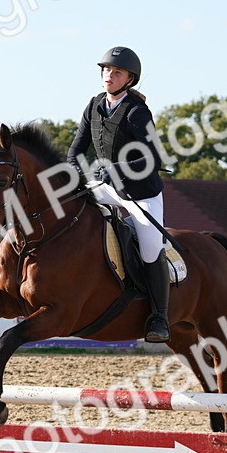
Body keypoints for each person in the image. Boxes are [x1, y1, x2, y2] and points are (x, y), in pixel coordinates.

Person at [67, 46, 170, 343]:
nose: (109, 76)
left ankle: (160, 317)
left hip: (140, 193)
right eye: (106, 70)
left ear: (129, 79)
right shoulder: (94, 106)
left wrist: (117, 169)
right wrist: (76, 175)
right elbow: (76, 150)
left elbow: (153, 159)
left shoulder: (137, 112)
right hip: (105, 187)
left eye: (116, 72)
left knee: (150, 247)